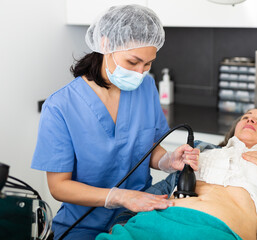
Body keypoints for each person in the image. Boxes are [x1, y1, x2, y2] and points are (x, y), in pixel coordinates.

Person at [31, 5, 199, 240]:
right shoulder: (60, 106)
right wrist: (119, 197)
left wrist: (168, 160)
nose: (140, 72)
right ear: (106, 45)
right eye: (133, 62)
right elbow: (59, 186)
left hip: (137, 219)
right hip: (82, 227)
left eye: (148, 64)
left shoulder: (147, 87)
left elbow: (148, 147)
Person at [96, 108, 257, 240]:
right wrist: (123, 222)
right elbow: (147, 198)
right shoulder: (200, 153)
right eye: (246, 116)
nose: (250, 119)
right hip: (149, 226)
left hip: (213, 233)